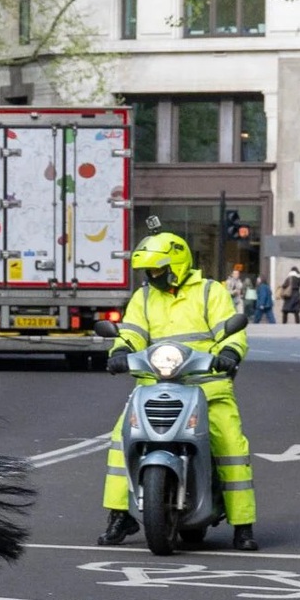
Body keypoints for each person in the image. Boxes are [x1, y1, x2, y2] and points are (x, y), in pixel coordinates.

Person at [99, 231, 258, 550]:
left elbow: (231, 331)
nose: (151, 275)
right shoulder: (144, 297)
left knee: (230, 446)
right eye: (148, 270)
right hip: (154, 384)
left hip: (208, 387)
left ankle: (243, 524)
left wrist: (229, 353)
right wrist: (119, 352)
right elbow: (131, 333)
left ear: (177, 264)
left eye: (157, 269)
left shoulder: (209, 292)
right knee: (120, 442)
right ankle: (120, 515)